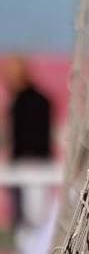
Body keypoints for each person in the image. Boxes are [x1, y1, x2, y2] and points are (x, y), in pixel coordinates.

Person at [5, 58, 53, 234]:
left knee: (35, 217)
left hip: (33, 163)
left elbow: (33, 137)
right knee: (24, 216)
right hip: (24, 163)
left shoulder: (33, 101)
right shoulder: (20, 100)